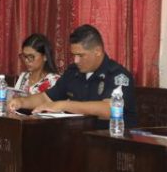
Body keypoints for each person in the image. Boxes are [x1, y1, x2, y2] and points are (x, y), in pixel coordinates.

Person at [9, 24, 137, 129]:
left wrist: (63, 105)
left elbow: (110, 109)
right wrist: (21, 102)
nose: (76, 60)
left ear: (97, 51)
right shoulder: (73, 72)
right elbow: (46, 98)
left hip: (110, 141)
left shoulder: (117, 75)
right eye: (74, 55)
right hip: (77, 140)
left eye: (80, 55)